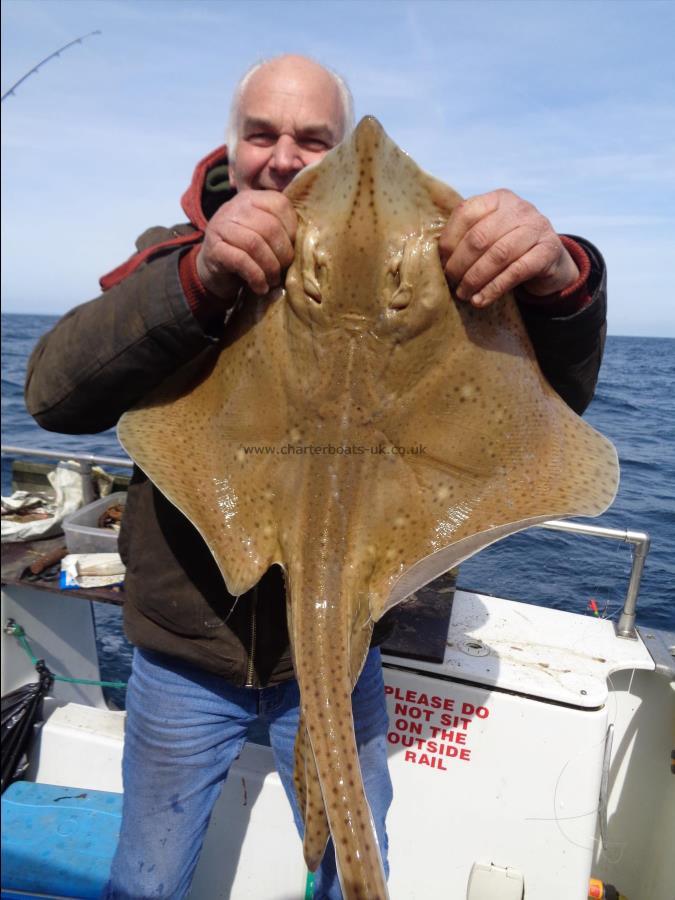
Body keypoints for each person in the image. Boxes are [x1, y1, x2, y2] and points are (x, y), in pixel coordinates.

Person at [25, 54, 608, 899]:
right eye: (262, 134)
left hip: (343, 656)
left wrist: (560, 276)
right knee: (146, 876)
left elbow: (560, 400)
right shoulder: (174, 261)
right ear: (230, 150)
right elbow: (53, 392)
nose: (285, 156)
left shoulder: (448, 274)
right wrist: (197, 280)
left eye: (313, 139)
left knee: (351, 855)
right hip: (184, 659)